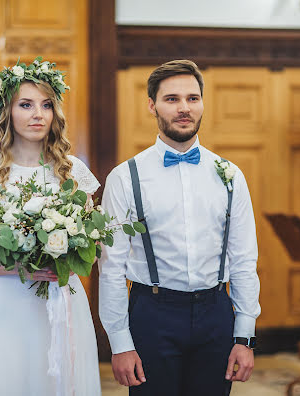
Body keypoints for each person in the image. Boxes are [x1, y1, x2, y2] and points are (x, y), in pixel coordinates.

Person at [98, 59, 261, 396]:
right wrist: (119, 342)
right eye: (171, 99)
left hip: (216, 312)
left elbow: (244, 260)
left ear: (202, 102)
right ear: (152, 105)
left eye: (192, 98)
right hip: (152, 314)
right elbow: (111, 268)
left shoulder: (230, 175)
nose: (184, 108)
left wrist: (244, 336)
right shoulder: (125, 177)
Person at [0, 57, 101, 396]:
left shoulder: (73, 171)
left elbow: (93, 245)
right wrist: (22, 268)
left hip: (63, 300)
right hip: (6, 305)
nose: (38, 114)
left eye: (47, 105)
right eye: (26, 104)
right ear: (7, 112)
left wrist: (70, 258)